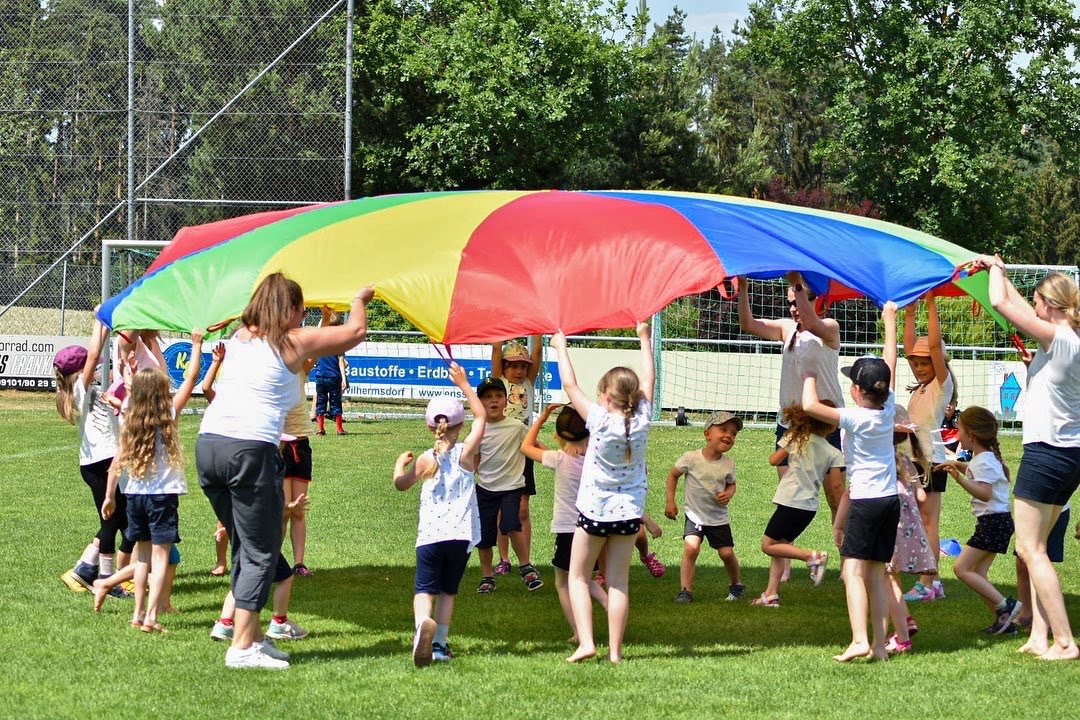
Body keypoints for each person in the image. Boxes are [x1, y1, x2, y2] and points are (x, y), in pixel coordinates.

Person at [196, 273, 372, 669]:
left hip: (209, 447)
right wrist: (359, 298)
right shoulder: (290, 341)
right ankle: (242, 648)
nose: (303, 316)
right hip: (249, 451)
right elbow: (355, 331)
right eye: (301, 309)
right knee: (261, 550)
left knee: (245, 545)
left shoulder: (240, 338)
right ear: (289, 309)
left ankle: (255, 636)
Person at [975, 259, 1080, 660]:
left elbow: (1001, 302)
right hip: (1068, 456)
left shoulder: (1059, 337)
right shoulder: (1068, 336)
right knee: (1033, 550)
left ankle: (1065, 641)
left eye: (1036, 302)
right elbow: (1019, 304)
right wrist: (1001, 275)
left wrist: (993, 268)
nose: (1032, 308)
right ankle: (1039, 635)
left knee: (1030, 548)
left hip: (1047, 454)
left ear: (1049, 305)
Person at [551, 321, 654, 664]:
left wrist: (561, 347)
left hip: (594, 512)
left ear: (606, 398)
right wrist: (644, 338)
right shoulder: (643, 418)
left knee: (578, 577)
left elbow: (570, 385)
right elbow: (649, 379)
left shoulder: (598, 420)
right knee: (618, 582)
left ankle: (586, 643)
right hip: (629, 514)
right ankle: (615, 652)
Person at [804, 301, 899, 663]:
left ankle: (860, 640)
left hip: (867, 502)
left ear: (858, 390)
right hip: (889, 500)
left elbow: (810, 406)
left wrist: (810, 369)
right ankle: (879, 646)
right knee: (875, 573)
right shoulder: (887, 408)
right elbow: (890, 361)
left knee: (852, 571)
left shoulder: (856, 417)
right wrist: (889, 320)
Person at [100, 332, 203, 632]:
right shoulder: (169, 412)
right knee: (160, 559)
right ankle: (152, 617)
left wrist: (109, 496)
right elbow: (190, 378)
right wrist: (197, 345)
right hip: (162, 496)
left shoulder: (129, 416)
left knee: (142, 558)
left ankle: (137, 614)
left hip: (135, 496)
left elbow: (117, 461)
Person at [393, 363, 484, 666]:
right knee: (447, 592)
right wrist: (464, 384)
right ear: (460, 425)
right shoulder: (466, 455)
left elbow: (401, 485)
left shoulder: (424, 460)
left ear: (429, 427)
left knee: (424, 591)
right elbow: (482, 417)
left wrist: (399, 465)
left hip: (430, 536)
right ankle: (440, 645)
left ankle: (422, 626)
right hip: (460, 536)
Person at [53, 317, 136, 594]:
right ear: (79, 372)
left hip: (101, 462)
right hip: (101, 463)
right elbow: (92, 355)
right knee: (112, 521)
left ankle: (87, 569)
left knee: (118, 520)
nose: (97, 368)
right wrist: (101, 322)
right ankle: (103, 578)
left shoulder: (84, 391)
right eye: (92, 367)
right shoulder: (79, 390)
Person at [521, 403, 608, 640]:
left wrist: (543, 417)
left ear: (559, 434)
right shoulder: (596, 461)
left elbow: (526, 446)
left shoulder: (558, 459)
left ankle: (579, 632)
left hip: (568, 530)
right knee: (585, 577)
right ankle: (610, 605)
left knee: (563, 582)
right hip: (593, 529)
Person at [936, 406, 1022, 635]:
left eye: (960, 430)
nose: (957, 435)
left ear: (971, 435)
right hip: (998, 522)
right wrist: (958, 465)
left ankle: (1006, 606)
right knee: (978, 572)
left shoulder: (983, 461)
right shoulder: (985, 459)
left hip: (993, 523)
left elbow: (984, 492)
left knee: (961, 568)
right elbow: (978, 473)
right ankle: (1004, 622)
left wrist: (958, 477)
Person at [754, 403, 845, 607]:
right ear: (832, 427)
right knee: (780, 546)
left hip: (790, 502)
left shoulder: (797, 438)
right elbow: (837, 486)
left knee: (768, 545)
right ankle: (771, 595)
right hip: (808, 508)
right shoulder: (834, 453)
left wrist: (790, 438)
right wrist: (842, 511)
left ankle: (811, 556)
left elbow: (773, 460)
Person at [901, 295, 954, 603]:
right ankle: (933, 583)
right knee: (923, 521)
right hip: (916, 460)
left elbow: (933, 347)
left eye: (925, 363)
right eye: (916, 363)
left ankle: (928, 583)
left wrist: (931, 303)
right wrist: (910, 312)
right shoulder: (922, 386)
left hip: (930, 461)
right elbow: (911, 347)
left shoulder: (940, 384)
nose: (919, 367)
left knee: (929, 522)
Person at [665, 411, 744, 603]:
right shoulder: (691, 458)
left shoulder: (728, 464)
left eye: (733, 433)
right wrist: (670, 501)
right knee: (691, 548)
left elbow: (732, 484)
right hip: (694, 515)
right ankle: (685, 590)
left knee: (726, 553)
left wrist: (729, 493)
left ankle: (736, 585)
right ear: (707, 434)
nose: (729, 435)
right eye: (723, 430)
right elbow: (673, 475)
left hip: (718, 518)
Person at [472, 376, 541, 593]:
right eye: (487, 397)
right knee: (484, 537)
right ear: (479, 402)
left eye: (498, 396)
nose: (493, 400)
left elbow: (534, 444)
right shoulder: (478, 429)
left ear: (506, 400)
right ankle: (487, 577)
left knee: (511, 524)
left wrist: (558, 459)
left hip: (511, 488)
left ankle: (525, 567)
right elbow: (473, 461)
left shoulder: (517, 427)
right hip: (485, 490)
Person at [884, 406, 935, 654]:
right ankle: (905, 620)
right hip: (908, 529)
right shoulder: (906, 461)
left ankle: (901, 634)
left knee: (888, 579)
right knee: (893, 577)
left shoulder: (881, 460)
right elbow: (923, 497)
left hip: (889, 525)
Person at [491, 337, 542, 578]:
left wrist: (538, 327)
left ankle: (525, 559)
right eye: (513, 365)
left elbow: (537, 350)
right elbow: (495, 350)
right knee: (502, 509)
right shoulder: (499, 383)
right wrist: (498, 334)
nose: (519, 370)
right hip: (502, 452)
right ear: (504, 367)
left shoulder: (528, 385)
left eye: (523, 366)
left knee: (522, 509)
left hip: (523, 453)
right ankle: (503, 559)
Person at [201, 344, 230, 577]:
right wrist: (216, 362)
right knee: (223, 516)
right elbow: (205, 387)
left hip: (243, 460)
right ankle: (221, 561)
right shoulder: (221, 400)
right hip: (223, 460)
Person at [313, 308, 349, 436]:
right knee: (336, 403)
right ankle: (339, 429)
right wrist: (344, 379)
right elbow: (341, 361)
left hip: (320, 376)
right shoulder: (339, 343)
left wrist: (324, 314)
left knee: (321, 402)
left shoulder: (319, 340)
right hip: (334, 377)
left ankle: (320, 429)